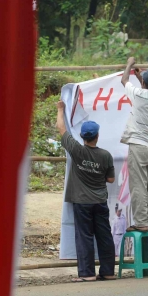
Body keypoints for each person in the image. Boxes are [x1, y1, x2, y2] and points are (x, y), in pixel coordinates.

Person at [56, 101, 116, 282]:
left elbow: (61, 128)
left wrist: (60, 109)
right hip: (100, 201)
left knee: (85, 237)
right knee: (104, 236)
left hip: (82, 202)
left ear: (82, 136)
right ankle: (108, 272)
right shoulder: (105, 155)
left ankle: (87, 274)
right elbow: (111, 179)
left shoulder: (76, 150)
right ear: (97, 136)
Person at [120, 57, 148, 232]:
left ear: (144, 84)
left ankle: (141, 223)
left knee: (138, 185)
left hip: (138, 146)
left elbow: (124, 80)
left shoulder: (138, 94)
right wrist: (141, 78)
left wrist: (129, 64)